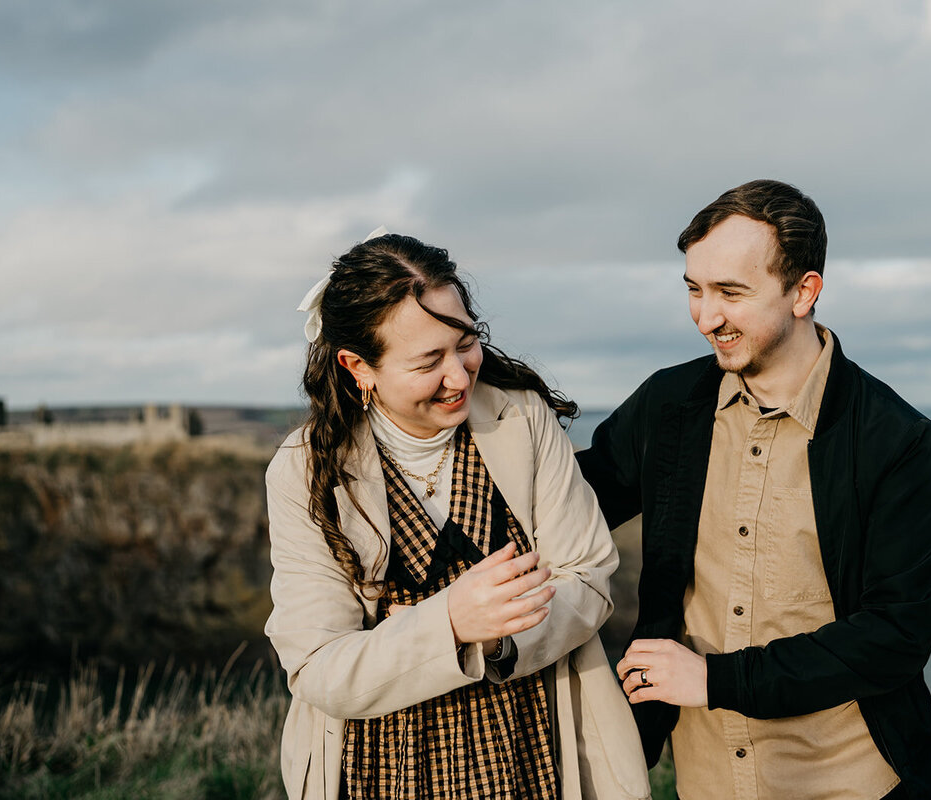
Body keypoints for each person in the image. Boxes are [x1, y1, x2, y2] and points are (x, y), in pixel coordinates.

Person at [576, 180, 931, 800]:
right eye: (694, 290)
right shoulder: (667, 405)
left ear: (804, 291)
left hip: (852, 781)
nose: (706, 317)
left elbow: (896, 635)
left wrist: (714, 680)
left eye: (731, 292)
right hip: (707, 781)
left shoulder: (896, 438)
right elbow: (567, 503)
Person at [264, 229, 650, 800]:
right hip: (380, 763)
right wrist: (452, 623)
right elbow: (320, 666)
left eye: (465, 343)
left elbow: (588, 579)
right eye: (428, 362)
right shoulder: (306, 470)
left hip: (533, 743)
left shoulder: (522, 418)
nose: (460, 375)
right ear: (358, 366)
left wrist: (497, 643)